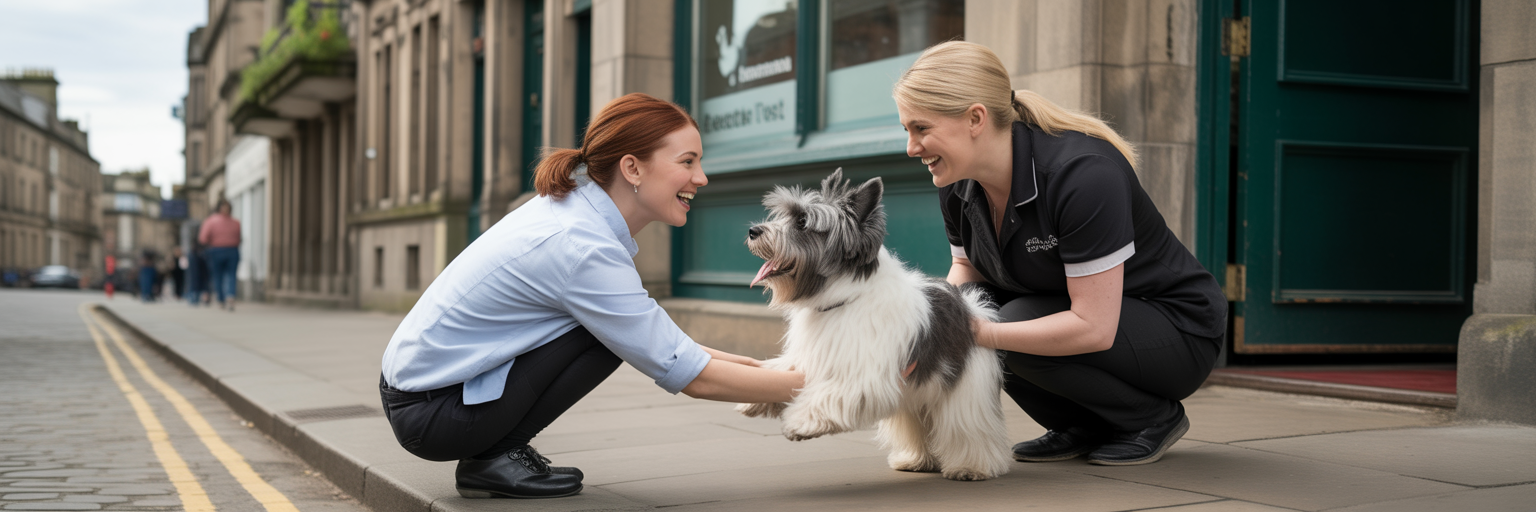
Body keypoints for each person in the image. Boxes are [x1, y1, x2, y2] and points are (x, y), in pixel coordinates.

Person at [379, 93, 804, 500]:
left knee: (613, 332)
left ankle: (491, 458)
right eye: (687, 162)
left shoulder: (576, 213)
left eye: (700, 162)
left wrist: (764, 369)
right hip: (434, 414)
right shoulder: (582, 245)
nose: (701, 178)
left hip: (430, 396)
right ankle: (490, 456)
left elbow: (664, 343)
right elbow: (693, 375)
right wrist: (827, 387)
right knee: (607, 336)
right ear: (633, 169)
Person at [893, 41, 1227, 467]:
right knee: (973, 310)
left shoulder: (1084, 174)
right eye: (907, 130)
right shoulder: (958, 184)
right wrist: (934, 324)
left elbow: (1094, 327)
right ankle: (1082, 425)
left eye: (921, 128)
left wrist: (973, 333)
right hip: (1092, 318)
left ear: (975, 118)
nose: (911, 147)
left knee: (999, 325)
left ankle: (1150, 418)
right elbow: (966, 268)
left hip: (1177, 330)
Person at [198, 199, 242, 311]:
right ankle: (230, 295)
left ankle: (221, 300)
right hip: (232, 250)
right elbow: (239, 239)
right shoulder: (236, 222)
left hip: (216, 250)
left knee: (218, 276)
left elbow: (203, 238)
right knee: (231, 275)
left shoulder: (210, 221)